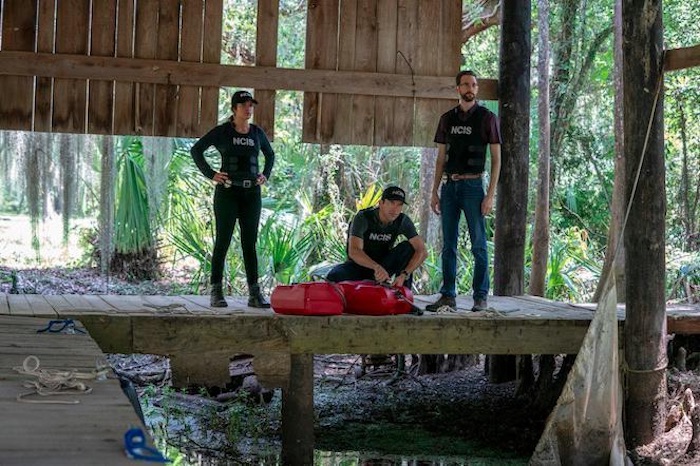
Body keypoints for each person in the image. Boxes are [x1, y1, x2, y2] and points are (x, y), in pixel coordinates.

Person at [190, 90, 275, 308]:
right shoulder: (223, 132)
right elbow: (196, 150)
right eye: (244, 105)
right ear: (234, 108)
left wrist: (265, 174)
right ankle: (216, 291)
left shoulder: (256, 133)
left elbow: (270, 154)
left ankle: (254, 294)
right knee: (223, 241)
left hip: (251, 194)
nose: (248, 109)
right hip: (227, 193)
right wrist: (211, 174)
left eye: (251, 105)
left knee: (249, 243)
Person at [426, 70, 502, 312]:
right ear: (458, 88)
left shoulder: (487, 118)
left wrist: (490, 195)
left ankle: (480, 297)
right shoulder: (446, 119)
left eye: (474, 85)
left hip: (473, 187)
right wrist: (434, 191)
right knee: (448, 245)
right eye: (466, 84)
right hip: (449, 187)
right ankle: (448, 295)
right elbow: (440, 158)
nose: (471, 88)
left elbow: (497, 159)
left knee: (479, 244)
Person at [327, 186, 427, 289]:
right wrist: (376, 267)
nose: (395, 209)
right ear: (381, 203)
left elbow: (422, 251)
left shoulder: (402, 221)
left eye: (399, 205)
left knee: (408, 248)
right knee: (334, 276)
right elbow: (354, 251)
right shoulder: (363, 218)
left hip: (384, 266)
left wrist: (404, 274)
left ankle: (403, 293)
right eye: (391, 203)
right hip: (359, 265)